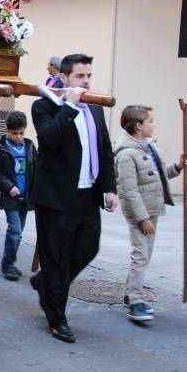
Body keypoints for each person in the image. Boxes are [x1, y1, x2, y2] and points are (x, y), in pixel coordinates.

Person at [29, 54, 117, 343]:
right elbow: (49, 138)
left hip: (87, 194)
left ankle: (46, 284)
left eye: (89, 75)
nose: (86, 81)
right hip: (55, 196)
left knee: (87, 248)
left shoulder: (95, 109)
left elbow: (104, 149)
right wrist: (69, 106)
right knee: (56, 257)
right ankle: (57, 318)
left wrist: (110, 187)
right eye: (80, 77)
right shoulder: (44, 105)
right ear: (64, 78)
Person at [114, 105, 186, 322]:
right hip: (140, 212)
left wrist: (178, 167)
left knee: (145, 254)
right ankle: (135, 300)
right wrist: (142, 218)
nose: (153, 124)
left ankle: (131, 293)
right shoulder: (127, 155)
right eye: (150, 121)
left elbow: (158, 176)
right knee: (140, 255)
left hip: (152, 207)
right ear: (138, 126)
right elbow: (129, 190)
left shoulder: (149, 147)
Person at [0, 111, 38, 282]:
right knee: (15, 230)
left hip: (26, 196)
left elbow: (36, 169)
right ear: (7, 131)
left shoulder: (30, 147)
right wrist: (9, 186)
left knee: (19, 232)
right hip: (9, 196)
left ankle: (9, 262)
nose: (18, 137)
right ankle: (8, 264)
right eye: (14, 133)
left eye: (21, 133)